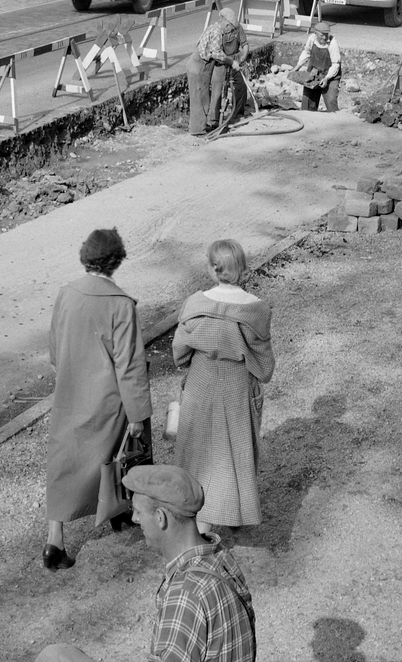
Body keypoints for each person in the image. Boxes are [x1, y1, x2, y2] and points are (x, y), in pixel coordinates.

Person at [37, 464, 256, 662]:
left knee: (54, 657)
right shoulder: (220, 557)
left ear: (161, 518)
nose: (134, 519)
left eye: (139, 512)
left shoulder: (186, 595)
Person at [43, 227, 152, 569]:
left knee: (65, 461)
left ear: (85, 256)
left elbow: (53, 348)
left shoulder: (66, 293)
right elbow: (130, 366)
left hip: (71, 392)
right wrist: (138, 412)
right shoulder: (121, 305)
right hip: (109, 398)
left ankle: (54, 541)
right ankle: (123, 509)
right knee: (123, 452)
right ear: (116, 261)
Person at [173, 240, 274, 533]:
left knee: (199, 449)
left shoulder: (194, 305)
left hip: (201, 381)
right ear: (242, 268)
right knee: (235, 447)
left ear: (211, 268)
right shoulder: (256, 309)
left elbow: (179, 353)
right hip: (237, 383)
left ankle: (199, 523)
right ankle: (231, 509)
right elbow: (265, 368)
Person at [186, 7, 249, 136]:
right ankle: (198, 131)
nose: (230, 31)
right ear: (226, 24)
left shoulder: (216, 29)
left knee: (204, 98)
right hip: (199, 67)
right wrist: (232, 62)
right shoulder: (216, 32)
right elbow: (216, 54)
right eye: (230, 28)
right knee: (200, 99)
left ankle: (202, 127)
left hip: (204, 66)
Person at [295, 20, 341, 111]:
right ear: (316, 33)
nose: (324, 37)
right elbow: (306, 52)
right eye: (322, 35)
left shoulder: (332, 43)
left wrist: (326, 78)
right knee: (307, 103)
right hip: (314, 74)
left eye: (326, 34)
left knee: (331, 102)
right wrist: (297, 67)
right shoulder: (312, 39)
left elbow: (336, 65)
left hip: (330, 76)